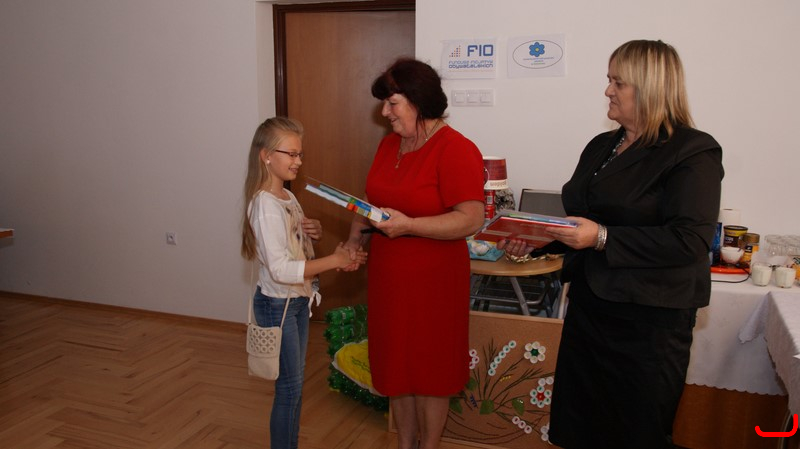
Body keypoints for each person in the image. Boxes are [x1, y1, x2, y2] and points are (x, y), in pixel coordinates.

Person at [500, 39, 723, 448]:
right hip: (591, 308)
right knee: (581, 425)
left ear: (650, 87)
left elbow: (689, 240)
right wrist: (537, 241)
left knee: (635, 431)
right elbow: (583, 221)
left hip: (649, 321)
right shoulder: (602, 146)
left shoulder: (692, 151)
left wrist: (601, 237)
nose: (608, 90)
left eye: (618, 82)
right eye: (609, 80)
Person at [342, 58, 485, 449]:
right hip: (389, 277)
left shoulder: (456, 149)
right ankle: (405, 443)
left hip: (434, 281)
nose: (384, 112)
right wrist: (354, 239)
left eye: (392, 103)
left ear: (419, 101)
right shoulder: (389, 143)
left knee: (430, 368)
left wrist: (410, 226)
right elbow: (370, 200)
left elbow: (471, 219)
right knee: (396, 364)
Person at [241, 116, 367, 449]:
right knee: (288, 389)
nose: (298, 161)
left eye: (300, 154)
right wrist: (336, 261)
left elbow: (294, 248)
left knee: (294, 388)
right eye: (291, 154)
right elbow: (281, 269)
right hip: (277, 305)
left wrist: (314, 232)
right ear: (266, 156)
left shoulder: (286, 196)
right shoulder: (265, 205)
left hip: (296, 301)